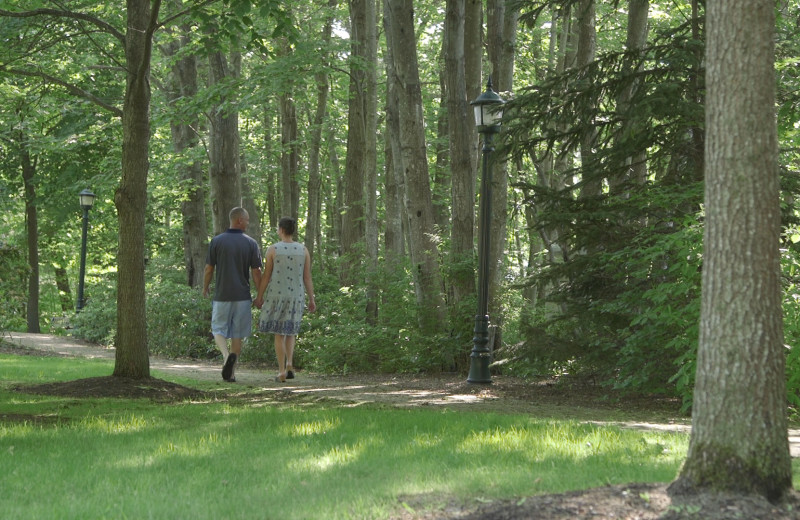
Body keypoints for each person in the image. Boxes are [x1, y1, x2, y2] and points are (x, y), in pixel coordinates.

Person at [203, 207, 262, 382]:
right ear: (239, 220)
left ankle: (225, 355)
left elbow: (208, 268)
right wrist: (260, 294)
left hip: (222, 294)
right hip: (242, 296)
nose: (248, 223)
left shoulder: (217, 241)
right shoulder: (251, 243)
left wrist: (205, 287)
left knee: (217, 329)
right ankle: (232, 373)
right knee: (238, 334)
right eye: (247, 220)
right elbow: (256, 271)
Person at [254, 217, 316, 382]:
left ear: (281, 229)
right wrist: (311, 299)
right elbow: (307, 277)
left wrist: (259, 296)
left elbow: (266, 276)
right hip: (296, 295)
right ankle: (289, 364)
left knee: (278, 333)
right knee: (290, 331)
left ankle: (281, 371)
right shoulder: (303, 250)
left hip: (277, 295)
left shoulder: (273, 249)